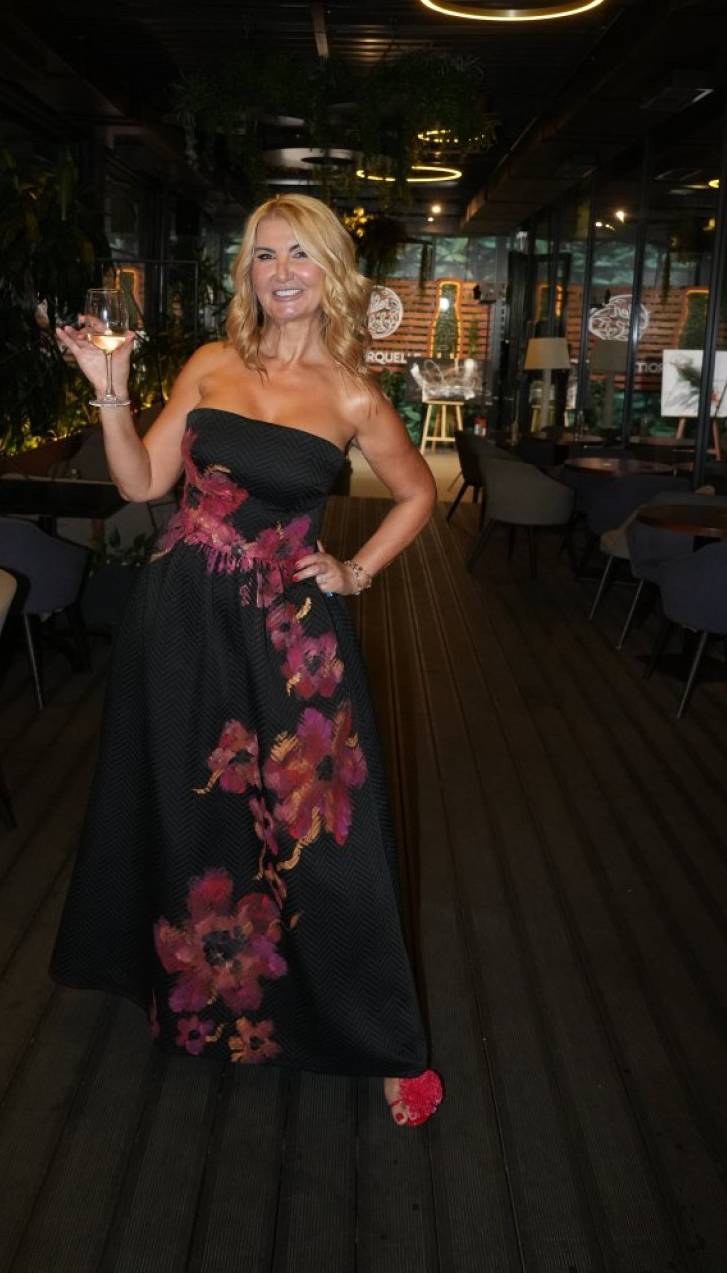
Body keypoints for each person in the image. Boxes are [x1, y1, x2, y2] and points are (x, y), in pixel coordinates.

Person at [50, 193, 442, 1126]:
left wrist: (356, 570)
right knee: (187, 809)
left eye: (300, 254)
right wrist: (110, 389)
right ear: (247, 273)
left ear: (330, 271)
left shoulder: (352, 391)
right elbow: (142, 482)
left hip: (291, 637)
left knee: (329, 831)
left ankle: (384, 1036)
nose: (281, 272)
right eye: (265, 255)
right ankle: (195, 996)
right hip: (180, 618)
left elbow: (418, 492)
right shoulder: (211, 364)